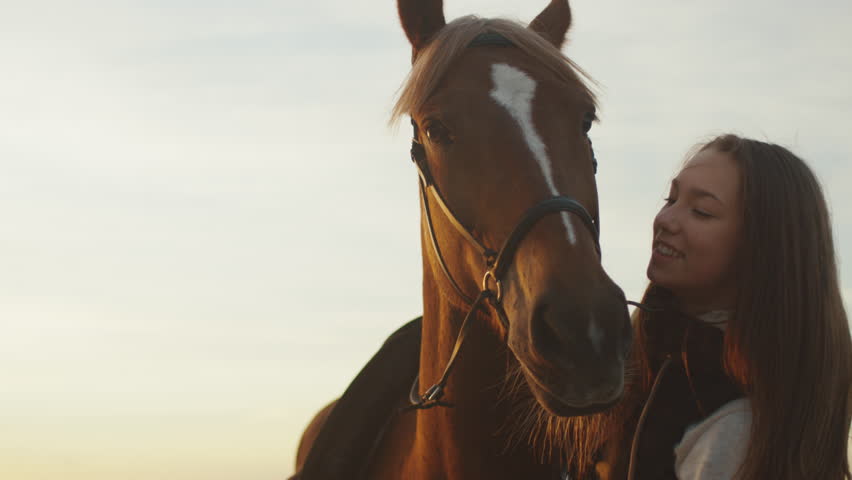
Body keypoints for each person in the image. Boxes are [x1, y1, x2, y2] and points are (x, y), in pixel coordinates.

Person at [571, 134, 851, 479]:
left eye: (701, 212)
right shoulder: (644, 360)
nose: (666, 220)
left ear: (761, 249)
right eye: (670, 199)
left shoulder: (733, 428)